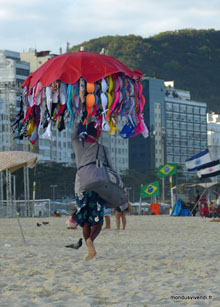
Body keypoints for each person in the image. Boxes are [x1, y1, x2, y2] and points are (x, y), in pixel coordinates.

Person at [72, 121, 111, 260]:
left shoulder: (78, 145)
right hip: (96, 186)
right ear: (98, 135)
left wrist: (81, 119)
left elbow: (74, 136)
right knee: (98, 220)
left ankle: (89, 246)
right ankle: (91, 241)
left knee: (85, 221)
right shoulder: (102, 149)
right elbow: (109, 168)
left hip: (80, 186)